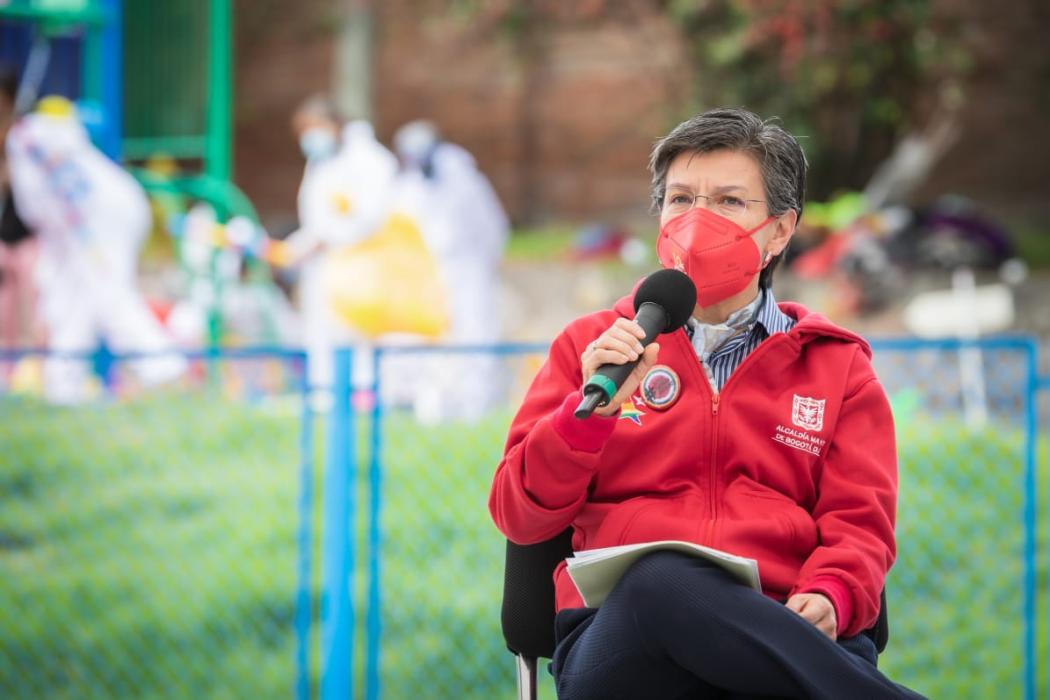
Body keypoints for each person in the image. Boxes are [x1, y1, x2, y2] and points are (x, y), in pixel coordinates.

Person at [489, 108, 924, 699]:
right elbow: (520, 516)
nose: (698, 221)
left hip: (783, 630)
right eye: (681, 199)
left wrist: (832, 593)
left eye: (728, 202)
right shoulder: (592, 346)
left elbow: (860, 525)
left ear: (780, 231)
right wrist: (587, 416)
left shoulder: (837, 365)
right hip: (623, 640)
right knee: (658, 585)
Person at [5, 96, 185, 403]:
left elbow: (32, 210)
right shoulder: (40, 131)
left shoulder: (23, 141)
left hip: (96, 224)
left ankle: (164, 372)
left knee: (108, 295)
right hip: (102, 215)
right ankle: (64, 388)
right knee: (74, 300)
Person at [277, 95, 397, 401]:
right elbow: (317, 217)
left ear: (333, 124)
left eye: (313, 128)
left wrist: (328, 238)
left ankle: (362, 395)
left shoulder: (370, 159)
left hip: (361, 263)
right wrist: (301, 245)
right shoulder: (322, 161)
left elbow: (372, 216)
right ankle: (324, 394)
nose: (308, 138)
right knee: (320, 331)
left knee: (355, 335)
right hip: (323, 264)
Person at [391, 120, 509, 422]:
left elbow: (492, 229)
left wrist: (478, 264)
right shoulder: (408, 186)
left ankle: (476, 403)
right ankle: (430, 402)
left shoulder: (464, 179)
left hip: (469, 272)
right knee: (428, 337)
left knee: (474, 333)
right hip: (425, 276)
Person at [0, 67, 39, 361]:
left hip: (26, 237)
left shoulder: (23, 140)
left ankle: (29, 358)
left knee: (30, 292)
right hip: (4, 242)